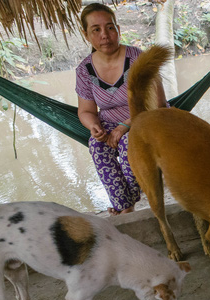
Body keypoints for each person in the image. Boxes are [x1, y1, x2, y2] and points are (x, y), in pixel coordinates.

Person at [75, 3, 167, 215]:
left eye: (110, 27)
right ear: (86, 35)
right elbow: (86, 111)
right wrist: (95, 127)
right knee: (97, 147)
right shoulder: (84, 70)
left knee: (128, 145)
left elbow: (158, 104)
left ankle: (129, 203)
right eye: (96, 30)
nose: (104, 35)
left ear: (118, 29)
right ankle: (124, 206)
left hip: (145, 118)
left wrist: (124, 126)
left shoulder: (138, 59)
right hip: (108, 122)